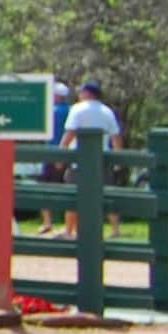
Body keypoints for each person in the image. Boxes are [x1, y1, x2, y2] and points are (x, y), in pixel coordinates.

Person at [58, 79, 123, 240]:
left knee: (73, 194)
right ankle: (115, 229)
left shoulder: (77, 109)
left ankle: (69, 230)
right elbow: (116, 137)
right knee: (106, 194)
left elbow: (69, 134)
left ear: (86, 93)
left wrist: (60, 155)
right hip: (102, 160)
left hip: (79, 160)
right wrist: (118, 159)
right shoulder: (107, 111)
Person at [33, 79, 71, 236]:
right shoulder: (71, 111)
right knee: (69, 189)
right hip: (69, 154)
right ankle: (69, 226)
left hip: (51, 153)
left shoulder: (51, 112)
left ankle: (47, 222)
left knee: (44, 189)